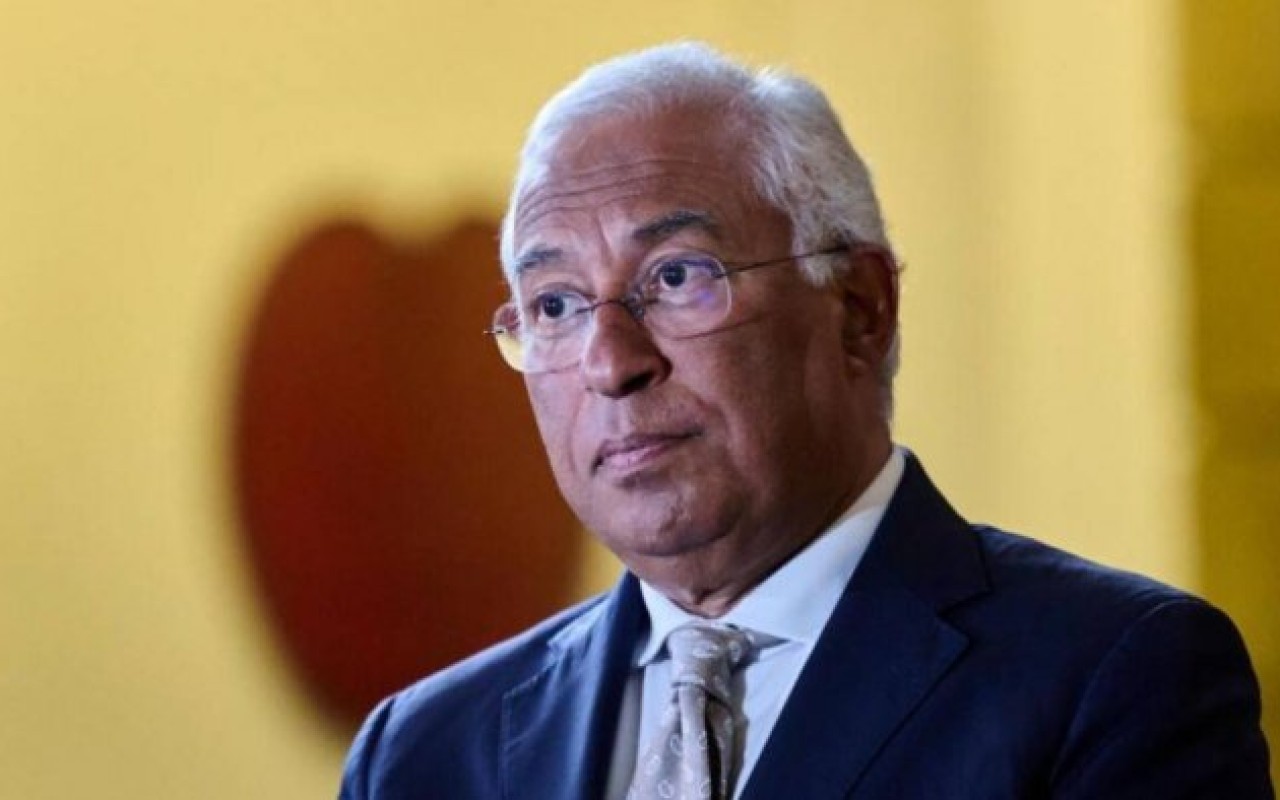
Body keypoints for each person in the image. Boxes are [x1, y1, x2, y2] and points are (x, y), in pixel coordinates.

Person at [339, 42, 1272, 799]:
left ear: (859, 307)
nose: (612, 362)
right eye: (554, 305)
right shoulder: (422, 755)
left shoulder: (1114, 679)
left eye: (677, 277)